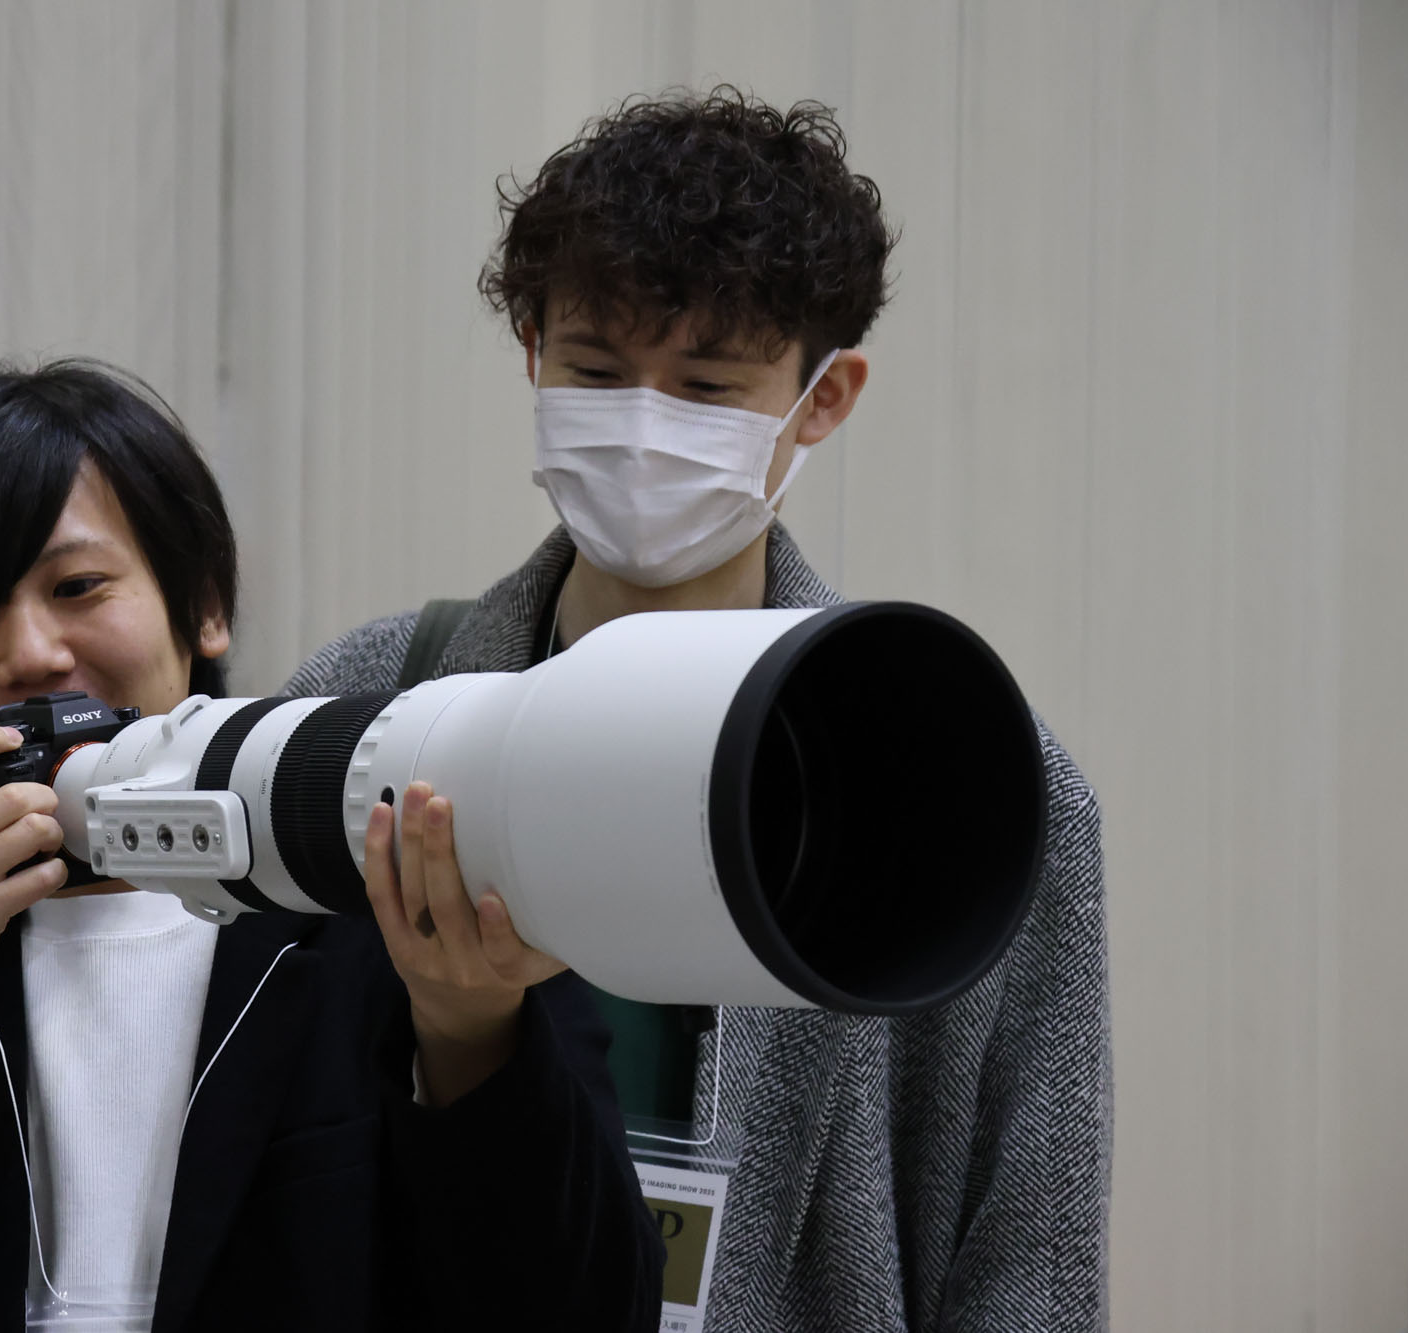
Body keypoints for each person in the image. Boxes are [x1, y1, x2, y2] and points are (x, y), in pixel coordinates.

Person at [284, 89, 1110, 1330]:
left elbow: (1029, 1256)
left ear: (821, 398)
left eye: (707, 387)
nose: (640, 429)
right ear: (530, 350)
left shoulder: (968, 785)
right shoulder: (360, 705)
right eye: (597, 372)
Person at [0, 360, 663, 1332]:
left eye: (80, 586)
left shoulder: (396, 944)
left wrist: (470, 1032)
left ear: (204, 605)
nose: (32, 653)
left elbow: (583, 1310)